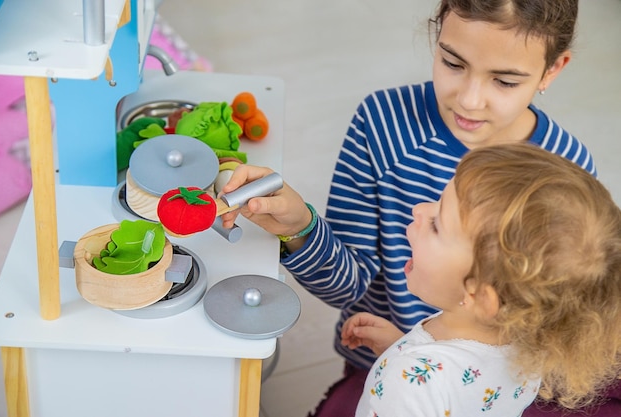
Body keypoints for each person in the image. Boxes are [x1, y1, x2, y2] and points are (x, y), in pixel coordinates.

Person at [221, 0, 614, 415]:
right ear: (437, 33)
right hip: (387, 352)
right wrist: (300, 226)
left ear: (552, 69)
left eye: (504, 81)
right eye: (453, 63)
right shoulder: (382, 124)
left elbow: (548, 318)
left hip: (488, 383)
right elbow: (348, 286)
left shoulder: (567, 169)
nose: (470, 100)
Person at [343, 143, 621, 417]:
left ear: (480, 297)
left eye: (437, 224)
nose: (420, 209)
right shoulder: (527, 342)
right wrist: (404, 350)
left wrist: (405, 372)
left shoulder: (403, 386)